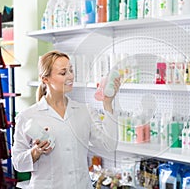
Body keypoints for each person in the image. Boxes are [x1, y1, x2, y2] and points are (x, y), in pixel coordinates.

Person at [11, 50, 120, 188]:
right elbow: (18, 163)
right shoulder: (28, 116)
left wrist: (108, 104)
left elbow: (109, 145)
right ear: (45, 79)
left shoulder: (85, 111)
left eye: (71, 70)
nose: (70, 76)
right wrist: (36, 151)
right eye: (63, 73)